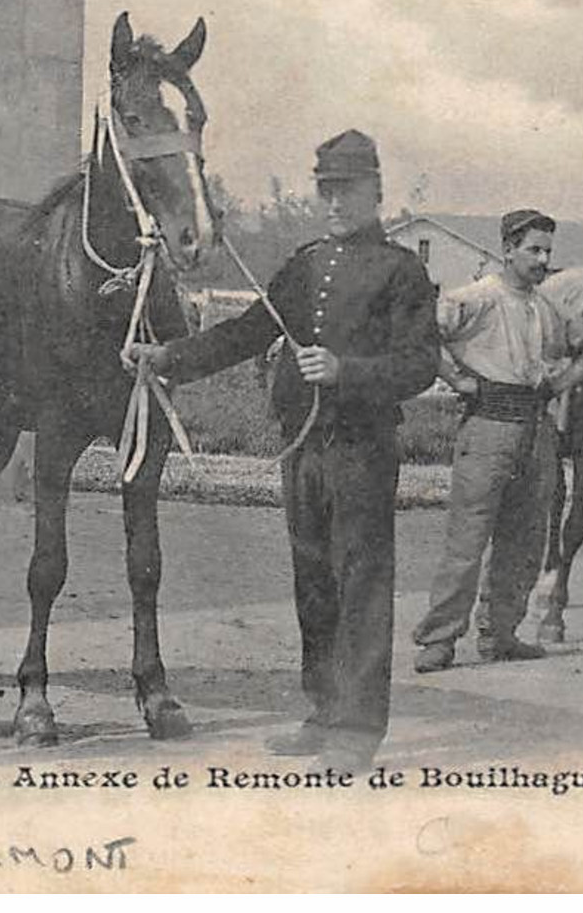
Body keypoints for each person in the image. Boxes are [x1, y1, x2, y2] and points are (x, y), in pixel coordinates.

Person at [123, 130, 438, 769]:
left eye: (347, 191)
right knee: (313, 586)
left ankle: (357, 730)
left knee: (361, 589)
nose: (335, 203)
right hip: (304, 450)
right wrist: (171, 358)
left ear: (376, 192)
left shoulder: (403, 271)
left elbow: (421, 364)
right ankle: (322, 713)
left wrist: (346, 370)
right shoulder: (304, 265)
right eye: (326, 191)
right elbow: (247, 331)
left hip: (360, 450)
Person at [412, 210, 583, 673]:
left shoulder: (549, 308)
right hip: (488, 424)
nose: (542, 260)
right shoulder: (476, 298)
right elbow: (423, 331)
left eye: (548, 252)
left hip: (536, 425)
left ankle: (501, 633)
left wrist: (564, 382)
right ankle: (439, 639)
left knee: (525, 538)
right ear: (507, 250)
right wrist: (459, 380)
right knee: (468, 539)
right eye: (533, 250)